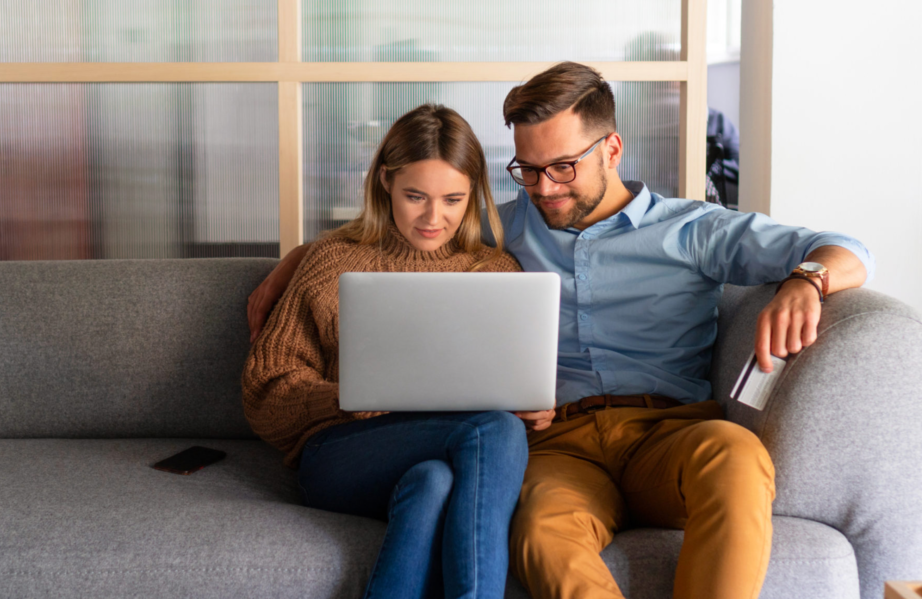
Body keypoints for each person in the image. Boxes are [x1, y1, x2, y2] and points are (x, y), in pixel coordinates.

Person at [248, 64, 875, 599]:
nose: (545, 188)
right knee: (542, 534)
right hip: (559, 445)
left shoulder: (694, 229)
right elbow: (408, 227)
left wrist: (807, 280)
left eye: (563, 167)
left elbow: (845, 247)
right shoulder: (503, 229)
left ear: (612, 149)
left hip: (670, 432)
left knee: (737, 457)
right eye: (528, 169)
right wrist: (302, 255)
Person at [242, 103, 530, 599]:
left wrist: (530, 404)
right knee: (494, 429)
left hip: (447, 455)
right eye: (415, 196)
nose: (433, 218)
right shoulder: (333, 260)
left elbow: (504, 386)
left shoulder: (495, 273)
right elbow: (263, 393)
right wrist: (349, 396)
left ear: (475, 195)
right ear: (384, 183)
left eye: (453, 199)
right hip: (340, 455)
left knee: (433, 483)